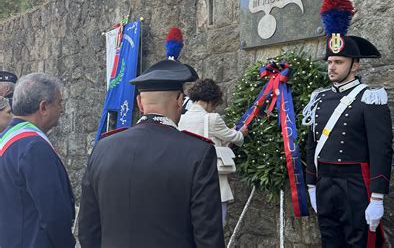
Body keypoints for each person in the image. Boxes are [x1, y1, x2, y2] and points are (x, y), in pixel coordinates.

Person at [78, 59, 225, 247]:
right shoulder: (198, 152)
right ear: (180, 101)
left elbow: (88, 230)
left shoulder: (102, 148)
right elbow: (208, 236)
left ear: (140, 102)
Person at [302, 0, 393, 247]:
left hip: (355, 184)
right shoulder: (318, 98)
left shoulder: (370, 98)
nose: (332, 67)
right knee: (330, 241)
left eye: (338, 62)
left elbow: (381, 150)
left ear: (355, 65)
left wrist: (377, 198)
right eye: (330, 61)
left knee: (359, 242)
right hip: (325, 183)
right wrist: (311, 185)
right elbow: (311, 144)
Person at [0, 72, 76, 248]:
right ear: (43, 107)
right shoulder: (33, 147)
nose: (62, 109)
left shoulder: (7, 140)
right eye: (59, 103)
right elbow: (53, 214)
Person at [179, 79, 248, 223]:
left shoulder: (182, 119)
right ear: (211, 100)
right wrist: (241, 132)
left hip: (189, 176)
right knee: (216, 224)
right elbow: (236, 138)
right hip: (212, 177)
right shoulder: (212, 119)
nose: (214, 108)